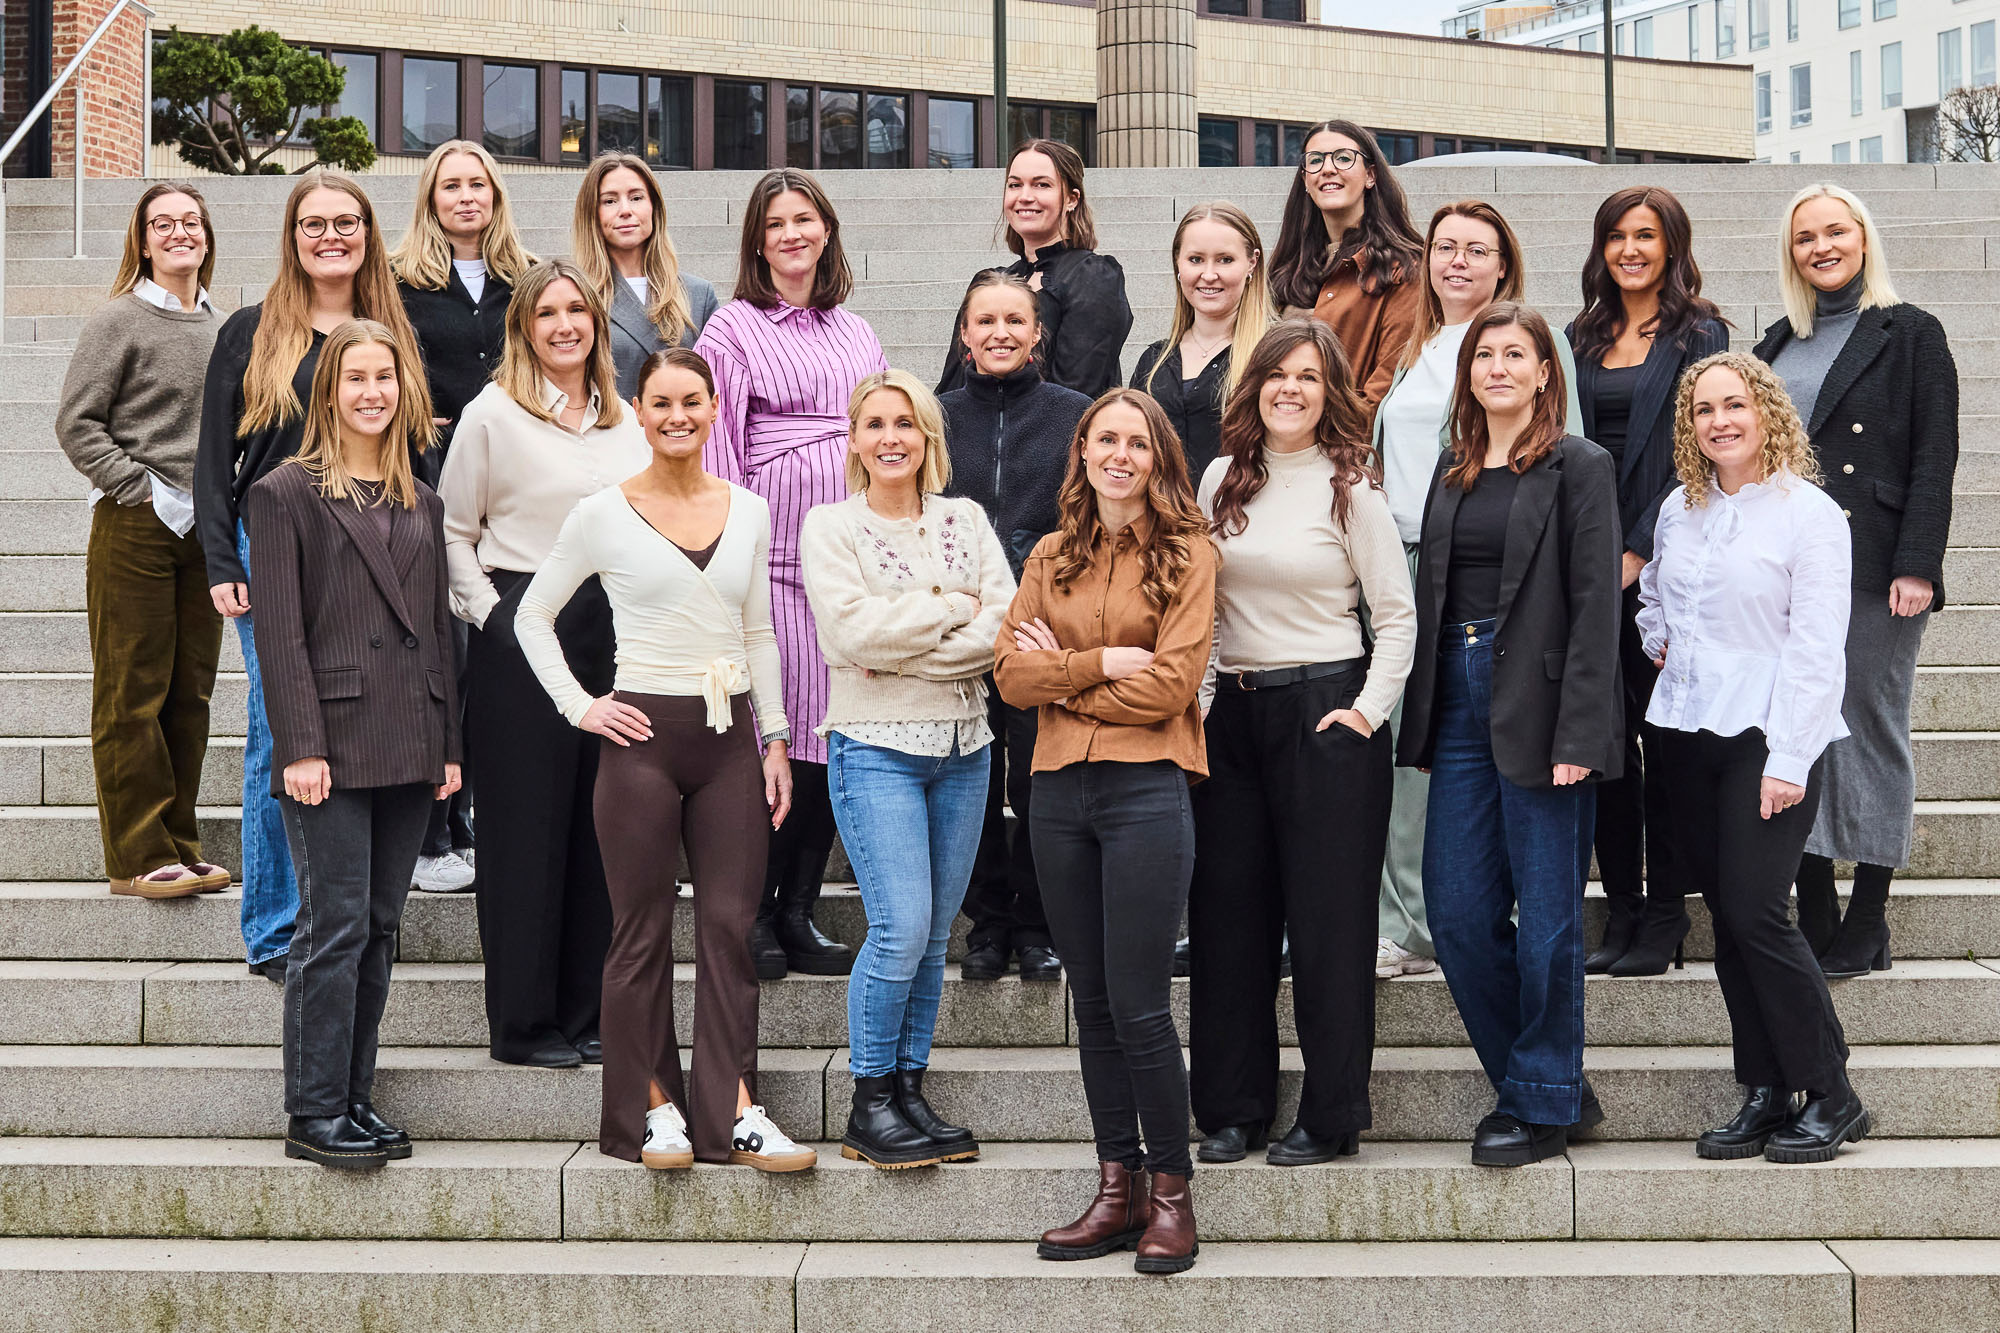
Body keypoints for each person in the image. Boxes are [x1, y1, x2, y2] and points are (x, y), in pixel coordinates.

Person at [516, 346, 813, 1173]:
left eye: (693, 401)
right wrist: (583, 707)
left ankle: (737, 1110)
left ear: (716, 408)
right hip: (641, 739)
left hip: (730, 743)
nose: (678, 416)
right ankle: (654, 1109)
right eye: (661, 403)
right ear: (638, 413)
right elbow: (530, 616)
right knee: (640, 931)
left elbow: (759, 630)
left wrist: (777, 738)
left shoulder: (749, 509)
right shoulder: (601, 512)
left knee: (728, 926)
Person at [1395, 302, 1623, 1168]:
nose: (1496, 366)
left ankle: (1537, 1101)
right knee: (1457, 913)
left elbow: (1599, 604)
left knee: (1550, 921)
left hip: (1541, 694)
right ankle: (1547, 1084)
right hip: (1455, 694)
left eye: (1513, 353)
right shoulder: (1452, 470)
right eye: (1482, 354)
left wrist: (1584, 732)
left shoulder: (1580, 465)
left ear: (1543, 371)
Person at [997, 388, 1216, 1276]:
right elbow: (1011, 675)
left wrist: (1062, 676)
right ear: (1081, 451)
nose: (1119, 454)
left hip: (1145, 794)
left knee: (1138, 1005)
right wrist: (1093, 664)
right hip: (1057, 795)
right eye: (1104, 440)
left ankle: (1172, 1193)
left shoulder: (1189, 552)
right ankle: (1115, 1186)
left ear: (1158, 456)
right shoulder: (1050, 554)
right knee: (1089, 1005)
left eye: (1136, 441)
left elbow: (1170, 685)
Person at [1188, 319, 1416, 1167]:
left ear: (1331, 395)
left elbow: (1396, 616)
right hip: (1233, 717)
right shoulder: (1220, 480)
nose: (1290, 389)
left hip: (1326, 710)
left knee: (1329, 926)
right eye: (1277, 374)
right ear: (1254, 386)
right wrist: (1203, 706)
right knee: (1228, 919)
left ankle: (1331, 1112)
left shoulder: (1351, 489)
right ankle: (1232, 1107)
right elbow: (1203, 609)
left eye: (1309, 378)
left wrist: (1365, 712)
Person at [195, 169, 422, 985]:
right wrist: (221, 557)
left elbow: (418, 453)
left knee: (350, 736)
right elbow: (213, 454)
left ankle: (340, 911)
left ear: (368, 233)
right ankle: (277, 926)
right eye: (314, 223)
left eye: (347, 222)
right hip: (273, 553)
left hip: (372, 554)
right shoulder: (253, 331)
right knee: (278, 733)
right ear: (292, 237)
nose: (331, 236)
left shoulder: (391, 331)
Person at [1639, 351, 1865, 1165]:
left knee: (1759, 910)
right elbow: (1656, 595)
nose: (1720, 421)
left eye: (1735, 404)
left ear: (1767, 412)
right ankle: (1767, 1088)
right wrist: (1658, 639)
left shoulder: (1810, 515)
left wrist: (1791, 756)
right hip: (1686, 733)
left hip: (1768, 738)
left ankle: (1832, 1092)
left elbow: (1816, 648)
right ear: (1689, 426)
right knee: (1728, 919)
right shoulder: (1679, 509)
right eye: (1704, 410)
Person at [244, 319, 458, 1171]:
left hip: (409, 736)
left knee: (378, 924)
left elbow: (438, 630)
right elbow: (279, 635)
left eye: (387, 377)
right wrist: (299, 743)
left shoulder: (421, 496)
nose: (373, 392)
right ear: (327, 390)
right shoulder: (284, 490)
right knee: (330, 926)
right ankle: (313, 1108)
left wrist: (447, 742)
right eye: (355, 378)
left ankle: (354, 1096)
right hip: (327, 740)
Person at [802, 369, 1016, 1169]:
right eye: (876, 424)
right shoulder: (832, 526)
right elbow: (854, 636)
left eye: (907, 423)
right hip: (876, 745)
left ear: (929, 437)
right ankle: (869, 1101)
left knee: (933, 940)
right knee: (897, 929)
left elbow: (1006, 622)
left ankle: (909, 1087)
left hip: (964, 747)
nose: (892, 437)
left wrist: (921, 635)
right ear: (854, 439)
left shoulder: (964, 517)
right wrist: (951, 606)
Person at [440, 259, 648, 1068]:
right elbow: (455, 531)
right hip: (522, 625)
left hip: (615, 631)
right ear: (523, 326)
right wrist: (490, 619)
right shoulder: (492, 415)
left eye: (578, 311)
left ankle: (585, 1010)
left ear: (596, 323)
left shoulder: (623, 419)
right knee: (526, 831)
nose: (565, 325)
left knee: (601, 829)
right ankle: (524, 1023)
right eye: (548, 313)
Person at [1371, 199, 1583, 983]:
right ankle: (1405, 918)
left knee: (1477, 745)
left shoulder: (1532, 339)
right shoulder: (1415, 347)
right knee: (1403, 744)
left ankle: (1450, 917)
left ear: (1504, 264)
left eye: (1477, 250)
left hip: (1487, 567)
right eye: (1444, 248)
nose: (1457, 261)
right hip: (1399, 563)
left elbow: (1566, 459)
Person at [1755, 183, 1959, 981]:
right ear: (1792, 252)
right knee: (1797, 722)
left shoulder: (1910, 333)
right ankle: (1813, 907)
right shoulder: (1776, 342)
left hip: (1876, 563)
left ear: (1864, 238)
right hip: (1790, 568)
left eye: (1835, 231)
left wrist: (1919, 563)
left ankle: (1868, 914)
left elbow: (1934, 455)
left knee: (1867, 723)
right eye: (1806, 236)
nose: (1822, 246)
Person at [697, 169, 888, 980]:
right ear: (757, 241)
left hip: (841, 566)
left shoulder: (858, 333)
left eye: (804, 219)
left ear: (827, 231)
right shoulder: (730, 329)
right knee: (768, 739)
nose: (791, 235)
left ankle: (800, 907)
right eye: (775, 223)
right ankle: (753, 911)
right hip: (768, 563)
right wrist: (726, 550)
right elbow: (717, 446)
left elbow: (885, 431)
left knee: (828, 742)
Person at [1566, 186, 1731, 977]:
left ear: (1671, 245)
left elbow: (1692, 452)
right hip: (1585, 567)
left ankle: (1666, 914)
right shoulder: (1578, 336)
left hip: (1663, 564)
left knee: (1662, 744)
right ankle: (1623, 912)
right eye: (1617, 237)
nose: (1630, 249)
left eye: (1646, 235)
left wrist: (1638, 550)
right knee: (1606, 750)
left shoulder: (1702, 333)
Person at [57, 183, 229, 900]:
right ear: (144, 239)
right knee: (133, 689)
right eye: (164, 223)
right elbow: (77, 423)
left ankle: (180, 843)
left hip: (207, 530)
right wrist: (142, 488)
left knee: (189, 692)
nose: (179, 232)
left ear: (207, 237)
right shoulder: (118, 320)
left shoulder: (225, 326)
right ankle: (136, 854)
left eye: (190, 221)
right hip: (136, 524)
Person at [391, 138, 537, 894]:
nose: (466, 196)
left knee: (489, 654)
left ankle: (470, 816)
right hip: (430, 474)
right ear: (431, 197)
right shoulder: (398, 282)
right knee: (440, 658)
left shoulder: (529, 279)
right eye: (451, 185)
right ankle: (431, 832)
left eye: (478, 183)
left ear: (496, 194)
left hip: (512, 482)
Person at [939, 271, 1092, 983]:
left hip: (1043, 632)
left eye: (1014, 320)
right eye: (984, 321)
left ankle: (1038, 923)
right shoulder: (935, 416)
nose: (999, 332)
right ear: (965, 335)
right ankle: (986, 923)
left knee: (1037, 779)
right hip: (962, 629)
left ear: (1038, 334)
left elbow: (1092, 521)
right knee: (969, 776)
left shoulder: (1073, 415)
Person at [937, 139, 1131, 398]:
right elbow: (953, 383)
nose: (1025, 196)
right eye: (1015, 185)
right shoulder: (988, 282)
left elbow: (1078, 393)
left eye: (1042, 185)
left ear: (1072, 199)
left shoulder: (1094, 276)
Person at [1267, 120, 1424, 418]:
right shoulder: (1287, 267)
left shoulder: (1403, 269)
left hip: (1348, 448)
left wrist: (1336, 442)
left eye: (1343, 158)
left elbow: (1387, 385)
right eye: (1315, 160)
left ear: (1370, 175)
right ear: (1304, 180)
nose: (1327, 169)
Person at [1132, 202, 1276, 481]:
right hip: (1164, 522)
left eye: (1225, 259)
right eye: (1196, 259)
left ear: (1252, 262)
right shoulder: (1153, 361)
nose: (1209, 275)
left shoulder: (1273, 356)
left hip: (1242, 518)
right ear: (1178, 262)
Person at [571, 152, 719, 402]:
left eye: (636, 198)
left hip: (684, 435)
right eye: (609, 201)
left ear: (654, 207)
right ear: (592, 213)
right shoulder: (576, 296)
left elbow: (718, 385)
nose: (625, 210)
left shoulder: (698, 294)